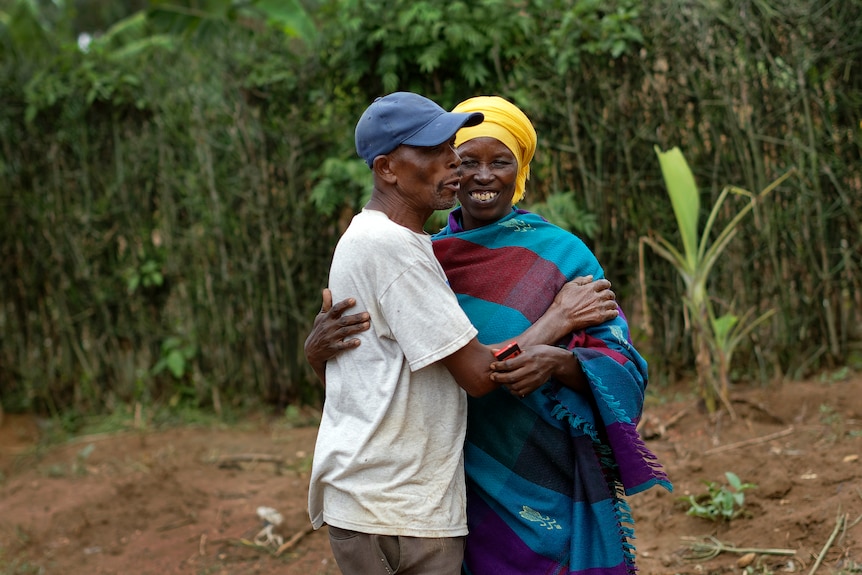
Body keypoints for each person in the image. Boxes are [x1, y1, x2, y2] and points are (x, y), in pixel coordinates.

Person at [306, 95, 672, 575]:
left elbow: (619, 360)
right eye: (463, 158)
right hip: (440, 480)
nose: (476, 174)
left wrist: (560, 364)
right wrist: (316, 353)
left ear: (519, 171)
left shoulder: (562, 255)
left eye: (499, 162)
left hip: (539, 466)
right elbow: (386, 369)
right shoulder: (423, 257)